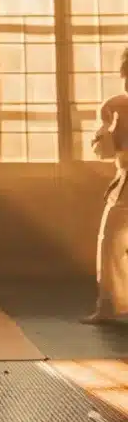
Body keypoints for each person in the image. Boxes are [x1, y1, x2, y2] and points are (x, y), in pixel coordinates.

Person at [84, 47, 128, 324]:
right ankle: (109, 305)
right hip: (126, 182)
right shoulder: (116, 107)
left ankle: (109, 306)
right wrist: (110, 129)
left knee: (111, 239)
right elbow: (104, 152)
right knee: (110, 240)